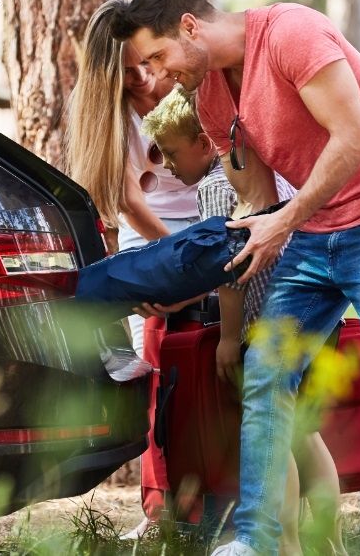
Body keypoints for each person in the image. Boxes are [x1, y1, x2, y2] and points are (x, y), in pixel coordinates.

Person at [110, 0, 360, 556]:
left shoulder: (291, 34)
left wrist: (286, 220)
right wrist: (190, 280)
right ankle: (256, 542)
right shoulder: (210, 97)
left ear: (190, 26)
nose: (156, 75)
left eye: (157, 56)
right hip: (312, 232)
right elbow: (256, 199)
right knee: (266, 373)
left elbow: (355, 138)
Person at [140, 86, 345, 555]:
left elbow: (230, 269)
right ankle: (332, 543)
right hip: (320, 312)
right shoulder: (272, 168)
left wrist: (229, 339)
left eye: (171, 152)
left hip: (270, 320)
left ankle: (288, 545)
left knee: (273, 430)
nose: (167, 165)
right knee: (305, 432)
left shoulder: (218, 186)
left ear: (204, 141)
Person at [64, 0, 200, 539]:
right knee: (161, 377)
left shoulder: (184, 82)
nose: (143, 78)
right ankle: (160, 510)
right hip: (161, 247)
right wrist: (182, 262)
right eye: (127, 72)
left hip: (212, 231)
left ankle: (215, 501)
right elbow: (129, 203)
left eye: (146, 62)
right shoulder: (111, 115)